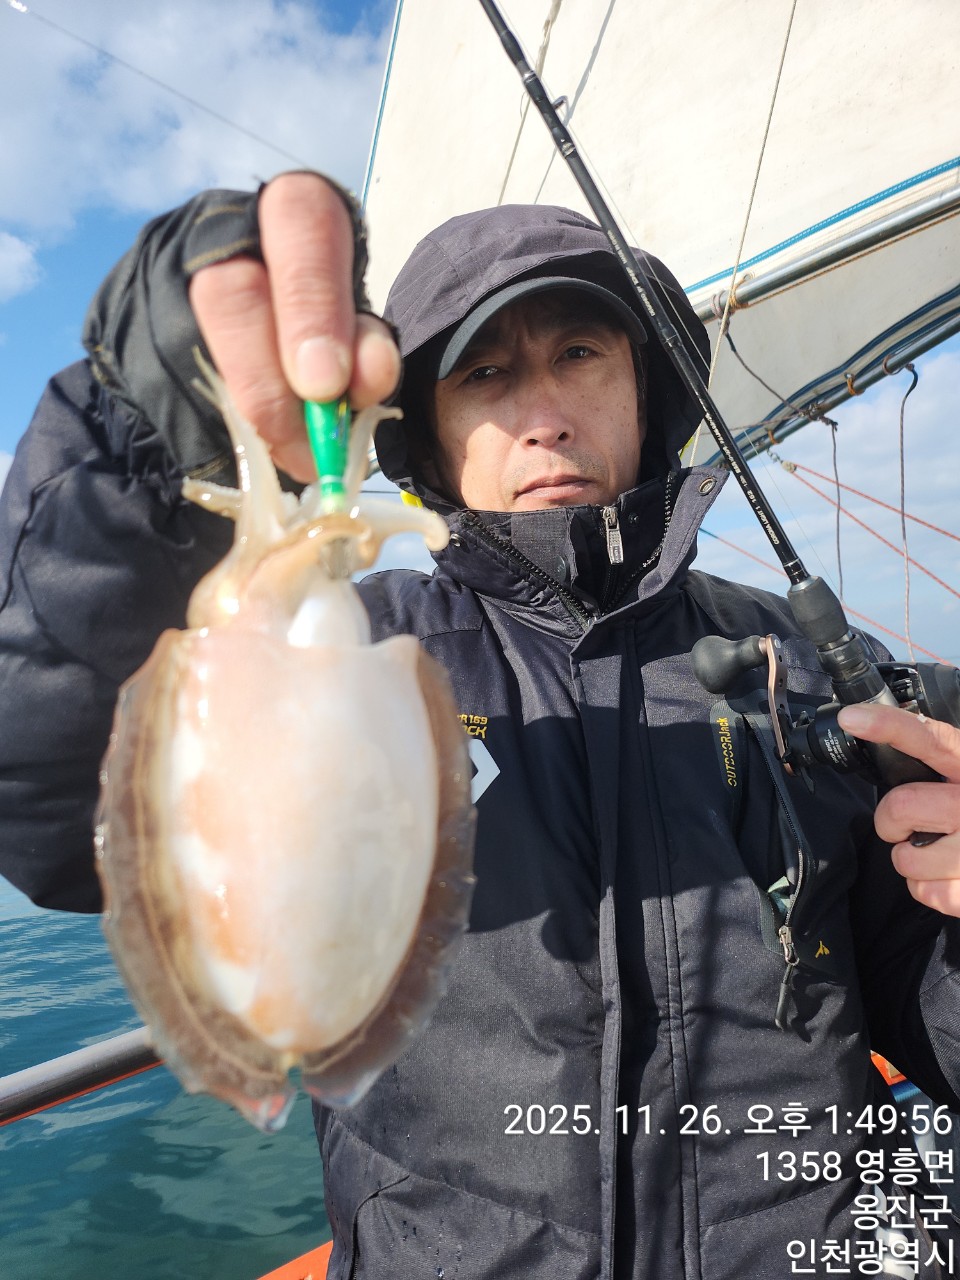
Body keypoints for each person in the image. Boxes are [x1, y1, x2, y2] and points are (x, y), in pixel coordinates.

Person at [2, 171, 960, 1279]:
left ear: (645, 389)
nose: (543, 414)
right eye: (486, 374)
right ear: (432, 439)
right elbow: (57, 814)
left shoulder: (807, 674)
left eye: (580, 353)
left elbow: (925, 999)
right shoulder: (348, 651)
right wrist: (136, 438)